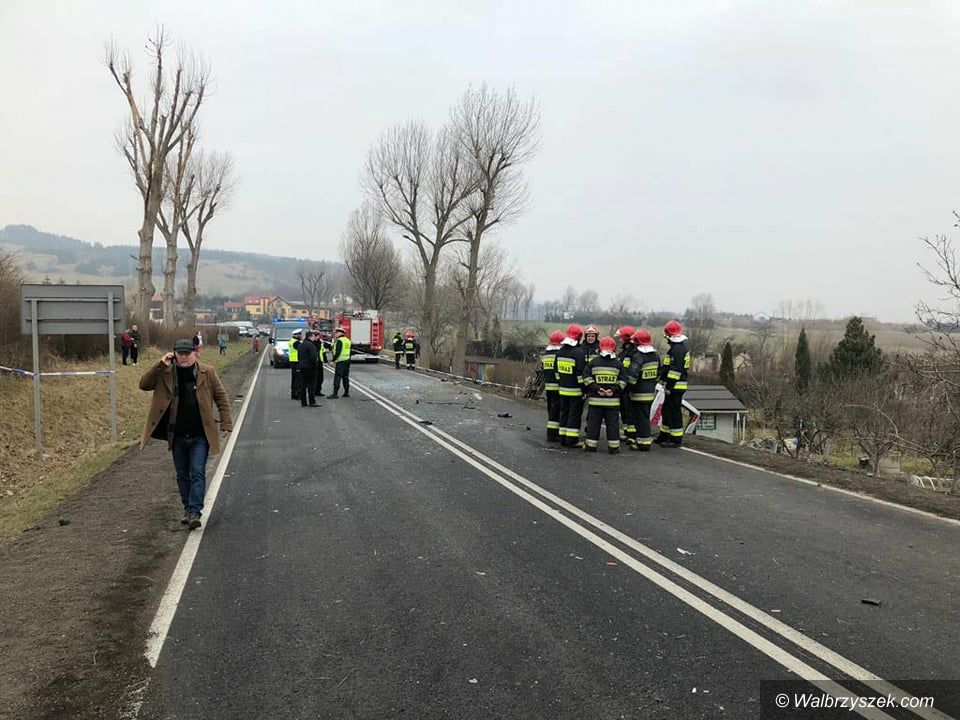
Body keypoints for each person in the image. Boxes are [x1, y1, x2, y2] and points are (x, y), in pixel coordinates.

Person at [139, 338, 233, 529]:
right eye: (180, 354)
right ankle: (187, 507)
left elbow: (221, 397)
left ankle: (195, 511)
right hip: (177, 435)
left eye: (187, 354)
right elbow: (144, 384)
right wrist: (160, 364)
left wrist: (226, 423)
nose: (184, 357)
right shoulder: (165, 372)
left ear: (195, 354)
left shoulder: (207, 372)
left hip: (200, 434)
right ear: (173, 355)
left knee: (197, 472)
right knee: (182, 474)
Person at [582, 336, 626, 453]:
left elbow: (586, 377)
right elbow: (623, 381)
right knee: (613, 425)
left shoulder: (593, 362)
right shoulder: (618, 364)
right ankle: (614, 447)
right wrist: (613, 390)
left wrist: (597, 389)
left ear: (600, 348)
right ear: (614, 348)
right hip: (612, 402)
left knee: (593, 424)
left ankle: (591, 446)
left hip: (596, 401)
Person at [657, 320, 691, 448]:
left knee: (673, 412)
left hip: (676, 386)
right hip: (674, 385)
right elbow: (667, 368)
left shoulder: (677, 350)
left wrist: (669, 386)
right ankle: (664, 435)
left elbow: (675, 371)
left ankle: (676, 439)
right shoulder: (677, 348)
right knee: (666, 410)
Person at [627, 329, 660, 451]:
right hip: (650, 393)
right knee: (644, 417)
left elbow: (632, 377)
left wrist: (627, 389)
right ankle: (641, 440)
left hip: (638, 394)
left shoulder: (638, 357)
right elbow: (659, 373)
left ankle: (643, 443)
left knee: (640, 419)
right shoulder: (655, 356)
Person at [556, 323, 586, 447]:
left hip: (563, 390)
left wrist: (561, 383)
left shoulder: (560, 352)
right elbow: (580, 375)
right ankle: (572, 440)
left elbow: (556, 372)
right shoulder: (578, 353)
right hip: (575, 391)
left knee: (564, 413)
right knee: (574, 415)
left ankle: (563, 438)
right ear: (579, 337)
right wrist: (584, 390)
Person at [615, 325, 637, 443]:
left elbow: (631, 371)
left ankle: (632, 434)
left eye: (621, 337)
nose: (619, 340)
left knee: (630, 411)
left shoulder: (633, 353)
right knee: (624, 410)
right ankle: (627, 431)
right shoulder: (624, 352)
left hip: (629, 387)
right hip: (623, 387)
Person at [541, 330, 564, 442]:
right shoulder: (560, 356)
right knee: (557, 411)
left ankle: (551, 432)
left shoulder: (545, 356)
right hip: (558, 387)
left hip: (548, 386)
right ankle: (553, 434)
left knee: (551, 409)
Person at [298, 328, 321, 407]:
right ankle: (312, 401)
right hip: (310, 367)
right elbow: (313, 357)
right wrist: (315, 365)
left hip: (302, 366)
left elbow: (299, 356)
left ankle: (303, 402)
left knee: (303, 385)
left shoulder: (301, 345)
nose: (314, 337)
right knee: (311, 385)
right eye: (314, 336)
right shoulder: (311, 345)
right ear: (311, 336)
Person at [328, 326, 352, 399]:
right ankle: (346, 392)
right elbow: (350, 351)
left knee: (337, 377)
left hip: (340, 361)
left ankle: (335, 394)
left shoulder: (339, 341)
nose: (335, 334)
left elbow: (338, 352)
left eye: (336, 333)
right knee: (345, 377)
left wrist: (333, 360)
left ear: (340, 333)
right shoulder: (348, 340)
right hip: (347, 361)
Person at [289, 328, 303, 400]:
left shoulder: (292, 341)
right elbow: (302, 350)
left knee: (294, 378)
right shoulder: (296, 343)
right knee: (298, 379)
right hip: (296, 361)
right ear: (297, 335)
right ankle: (296, 394)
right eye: (300, 334)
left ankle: (293, 393)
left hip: (293, 361)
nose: (301, 336)